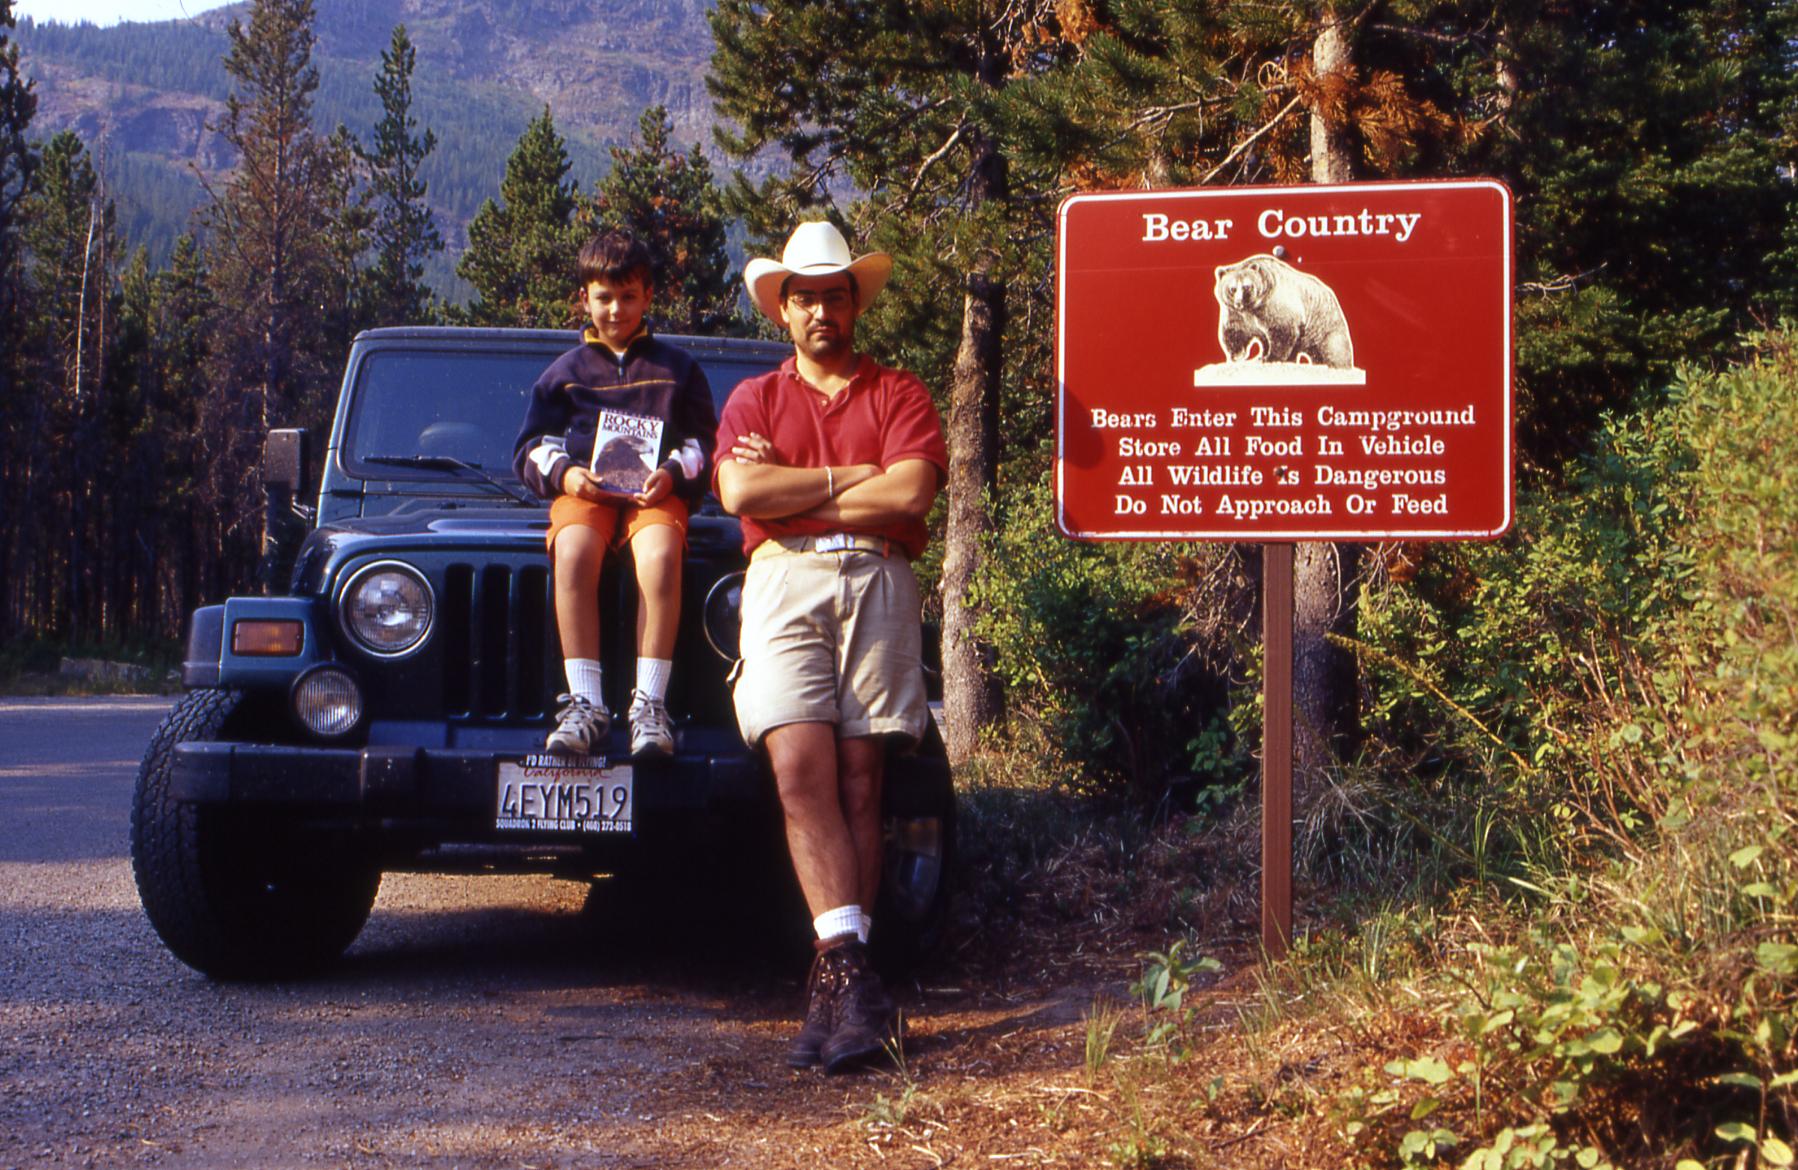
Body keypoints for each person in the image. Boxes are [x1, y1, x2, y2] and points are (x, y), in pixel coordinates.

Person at [714, 221, 948, 1073]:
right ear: (783, 311)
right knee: (798, 768)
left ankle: (842, 988)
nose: (819, 310)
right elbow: (741, 487)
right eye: (803, 297)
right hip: (784, 584)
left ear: (856, 304)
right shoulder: (753, 400)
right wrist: (857, 478)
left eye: (834, 294)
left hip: (879, 580)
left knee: (862, 778)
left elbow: (914, 489)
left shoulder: (901, 393)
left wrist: (799, 494)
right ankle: (853, 978)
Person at [513, 231, 717, 759]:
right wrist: (565, 474)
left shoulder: (678, 370)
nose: (616, 309)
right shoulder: (564, 374)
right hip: (588, 490)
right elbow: (533, 445)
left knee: (661, 556)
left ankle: (649, 706)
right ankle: (586, 706)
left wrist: (673, 473)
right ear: (584, 298)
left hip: (654, 494)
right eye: (603, 297)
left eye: (628, 296)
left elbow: (701, 443)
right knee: (575, 551)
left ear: (649, 296)